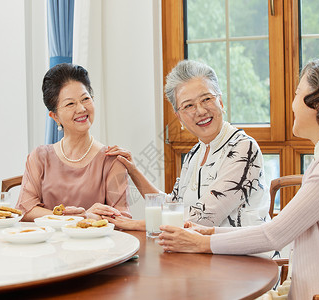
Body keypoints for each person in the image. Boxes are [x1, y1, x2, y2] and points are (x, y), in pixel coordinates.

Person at [157, 54, 319, 299]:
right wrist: (208, 233)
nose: (292, 103)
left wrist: (201, 242)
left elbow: (274, 234)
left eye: (296, 93)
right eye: (187, 105)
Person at [105, 60, 270, 231]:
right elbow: (173, 206)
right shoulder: (194, 154)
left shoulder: (243, 148)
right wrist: (133, 170)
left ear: (220, 102)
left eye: (206, 99)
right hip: (203, 253)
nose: (200, 111)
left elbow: (203, 218)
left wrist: (135, 224)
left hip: (244, 255)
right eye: (189, 105)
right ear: (179, 117)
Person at [15, 63, 131, 222]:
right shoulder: (39, 157)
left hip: (96, 245)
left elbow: (121, 220)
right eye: (70, 104)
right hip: (47, 245)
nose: (82, 108)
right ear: (55, 116)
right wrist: (76, 218)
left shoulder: (111, 159)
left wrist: (80, 220)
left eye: (85, 99)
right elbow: (24, 211)